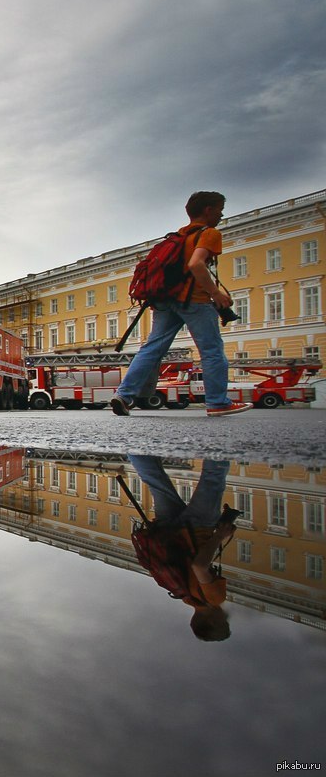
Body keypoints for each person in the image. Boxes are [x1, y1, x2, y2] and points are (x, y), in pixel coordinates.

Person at [111, 191, 252, 417]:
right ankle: (217, 403)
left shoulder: (177, 237)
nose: (221, 215)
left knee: (151, 350)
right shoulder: (209, 233)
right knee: (212, 351)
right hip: (194, 300)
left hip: (165, 301)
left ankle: (124, 395)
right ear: (208, 210)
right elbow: (197, 264)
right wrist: (215, 293)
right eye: (219, 210)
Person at [128, 455, 237, 641]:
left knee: (214, 478)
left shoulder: (214, 598)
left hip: (197, 529)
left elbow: (199, 566)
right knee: (155, 479)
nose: (226, 617)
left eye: (224, 622)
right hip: (168, 530)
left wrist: (219, 536)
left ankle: (217, 438)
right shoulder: (180, 592)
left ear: (211, 621)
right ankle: (130, 444)